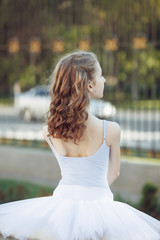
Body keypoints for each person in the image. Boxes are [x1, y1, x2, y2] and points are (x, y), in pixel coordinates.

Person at [0, 50, 160, 240]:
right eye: (101, 75)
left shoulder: (49, 131)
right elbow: (115, 172)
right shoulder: (111, 130)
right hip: (101, 205)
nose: (105, 80)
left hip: (62, 206)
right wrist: (93, 190)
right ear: (90, 85)